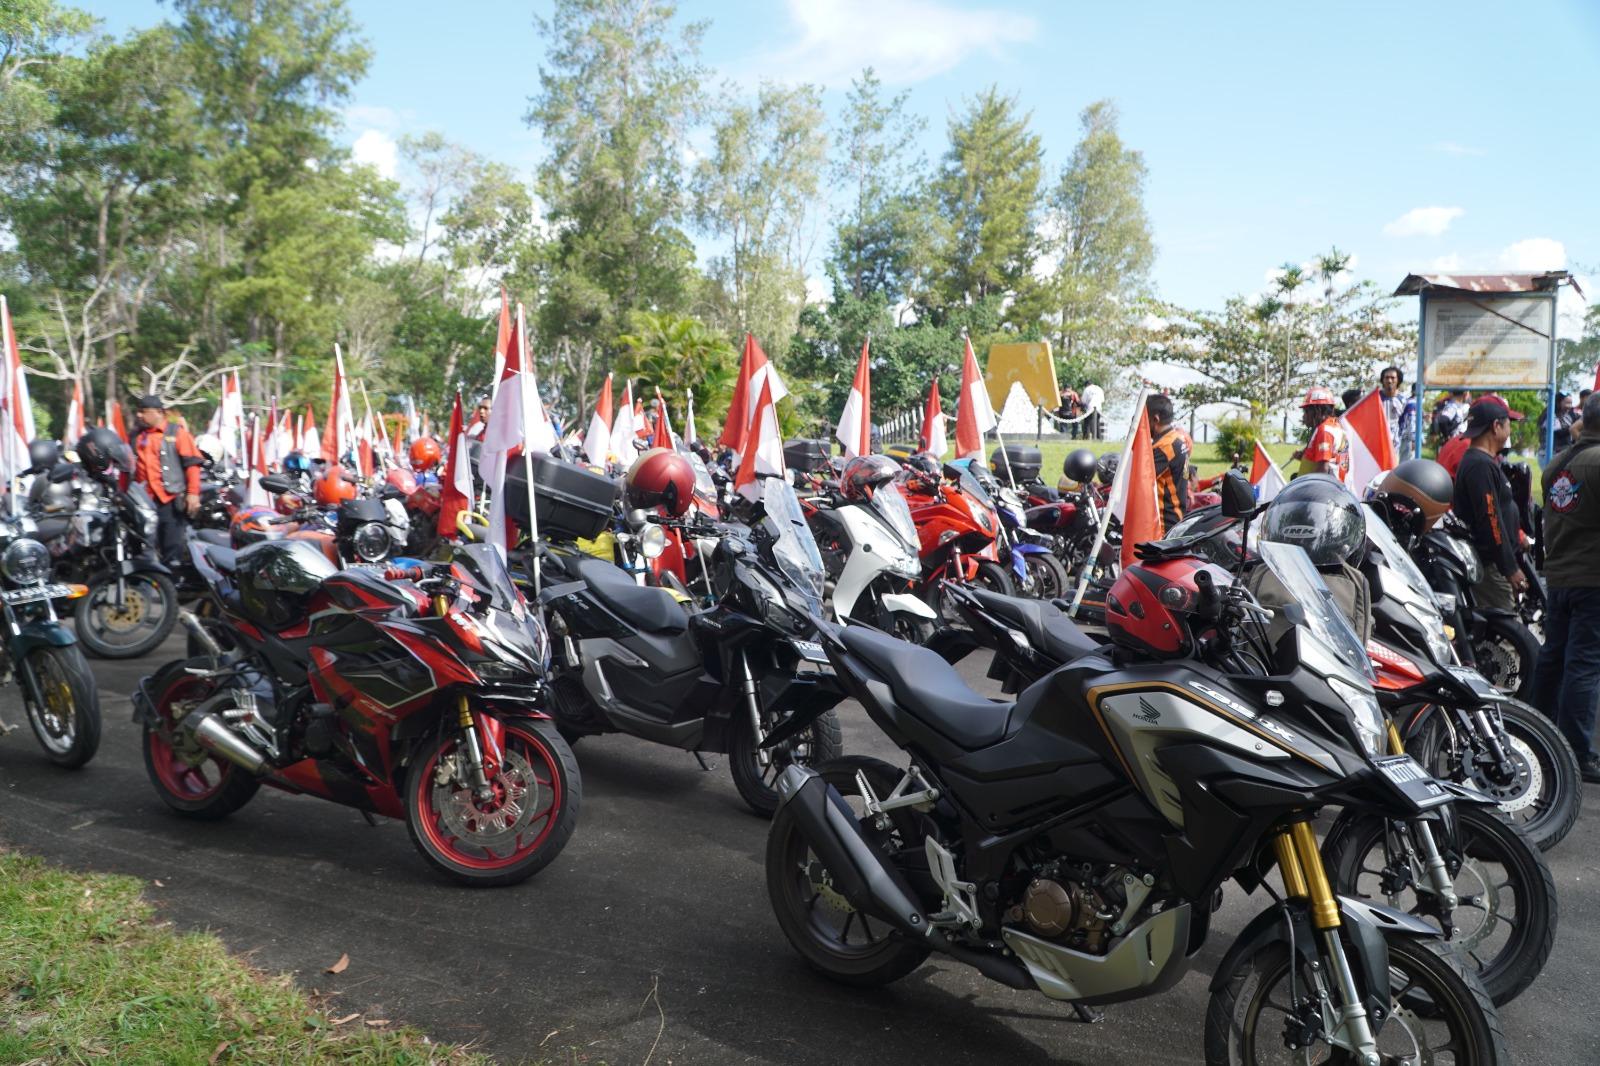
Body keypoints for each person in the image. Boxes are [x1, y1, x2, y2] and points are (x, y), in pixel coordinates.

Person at [1533, 392, 1600, 782]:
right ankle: (1577, 751)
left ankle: (1537, 735)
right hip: (1592, 580)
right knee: (1584, 665)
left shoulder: (1556, 465)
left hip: (1558, 578)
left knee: (1553, 659)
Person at [1452, 397, 1526, 611]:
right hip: (1491, 566)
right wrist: (1509, 568)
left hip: (1495, 563)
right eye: (1509, 423)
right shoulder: (1480, 466)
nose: (1510, 430)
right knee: (1507, 628)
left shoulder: (1482, 462)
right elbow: (1490, 520)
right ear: (1496, 426)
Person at [131, 393, 204, 565]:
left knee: (172, 548)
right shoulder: (136, 436)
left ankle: (172, 578)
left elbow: (192, 465)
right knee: (143, 547)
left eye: (143, 411)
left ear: (158, 412)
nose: (139, 415)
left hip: (170, 500)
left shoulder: (177, 433)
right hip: (143, 502)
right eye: (138, 411)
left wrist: (193, 493)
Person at [1147, 393, 1188, 532]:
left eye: (1145, 419)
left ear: (1155, 419)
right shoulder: (1176, 439)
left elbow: (1140, 479)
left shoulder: (1164, 448)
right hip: (1177, 517)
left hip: (1164, 525)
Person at [1291, 386, 1348, 480]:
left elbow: (1323, 468)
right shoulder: (1335, 427)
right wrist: (1304, 457)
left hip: (1319, 487)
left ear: (1317, 410)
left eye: (1306, 411)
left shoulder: (1324, 430)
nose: (1304, 416)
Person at [1378, 366, 1415, 453]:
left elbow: (1409, 422)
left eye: (1393, 378)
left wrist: (1413, 440)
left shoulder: (1404, 401)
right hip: (1377, 442)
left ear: (1398, 380)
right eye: (1386, 377)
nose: (1389, 381)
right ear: (1382, 380)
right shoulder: (1375, 399)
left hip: (1396, 445)